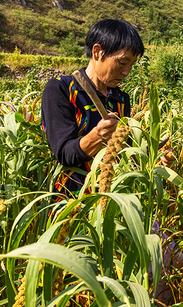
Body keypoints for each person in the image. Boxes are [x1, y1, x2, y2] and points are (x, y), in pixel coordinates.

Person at [41, 19, 143, 194]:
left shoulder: (120, 99)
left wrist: (154, 161)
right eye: (122, 62)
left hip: (112, 198)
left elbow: (124, 151)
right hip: (73, 202)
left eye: (132, 65)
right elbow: (64, 153)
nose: (126, 72)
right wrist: (97, 136)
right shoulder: (61, 89)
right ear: (97, 52)